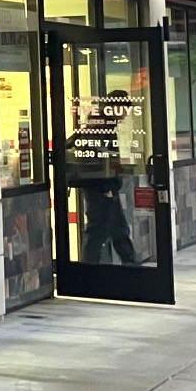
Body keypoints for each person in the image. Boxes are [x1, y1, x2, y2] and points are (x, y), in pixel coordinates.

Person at [68, 86, 141, 266]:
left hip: (103, 185)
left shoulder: (98, 124)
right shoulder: (101, 126)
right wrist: (108, 185)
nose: (125, 115)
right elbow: (100, 158)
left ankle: (128, 264)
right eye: (124, 109)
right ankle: (91, 268)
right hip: (101, 187)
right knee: (98, 231)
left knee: (117, 229)